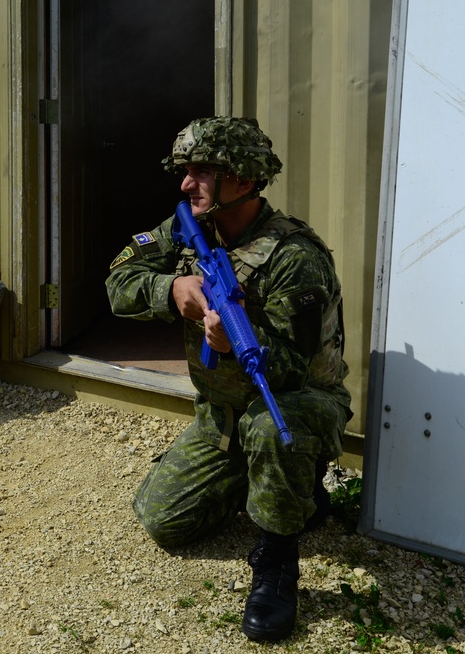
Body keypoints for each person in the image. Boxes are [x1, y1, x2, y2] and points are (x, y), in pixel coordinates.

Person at [105, 117, 352, 642]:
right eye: (185, 171)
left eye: (200, 172)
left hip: (295, 403)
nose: (185, 184)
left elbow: (292, 366)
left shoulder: (297, 258)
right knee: (162, 519)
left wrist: (239, 347)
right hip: (222, 413)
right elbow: (117, 281)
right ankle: (279, 486)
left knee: (271, 430)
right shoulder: (189, 227)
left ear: (242, 180)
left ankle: (277, 562)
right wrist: (171, 289)